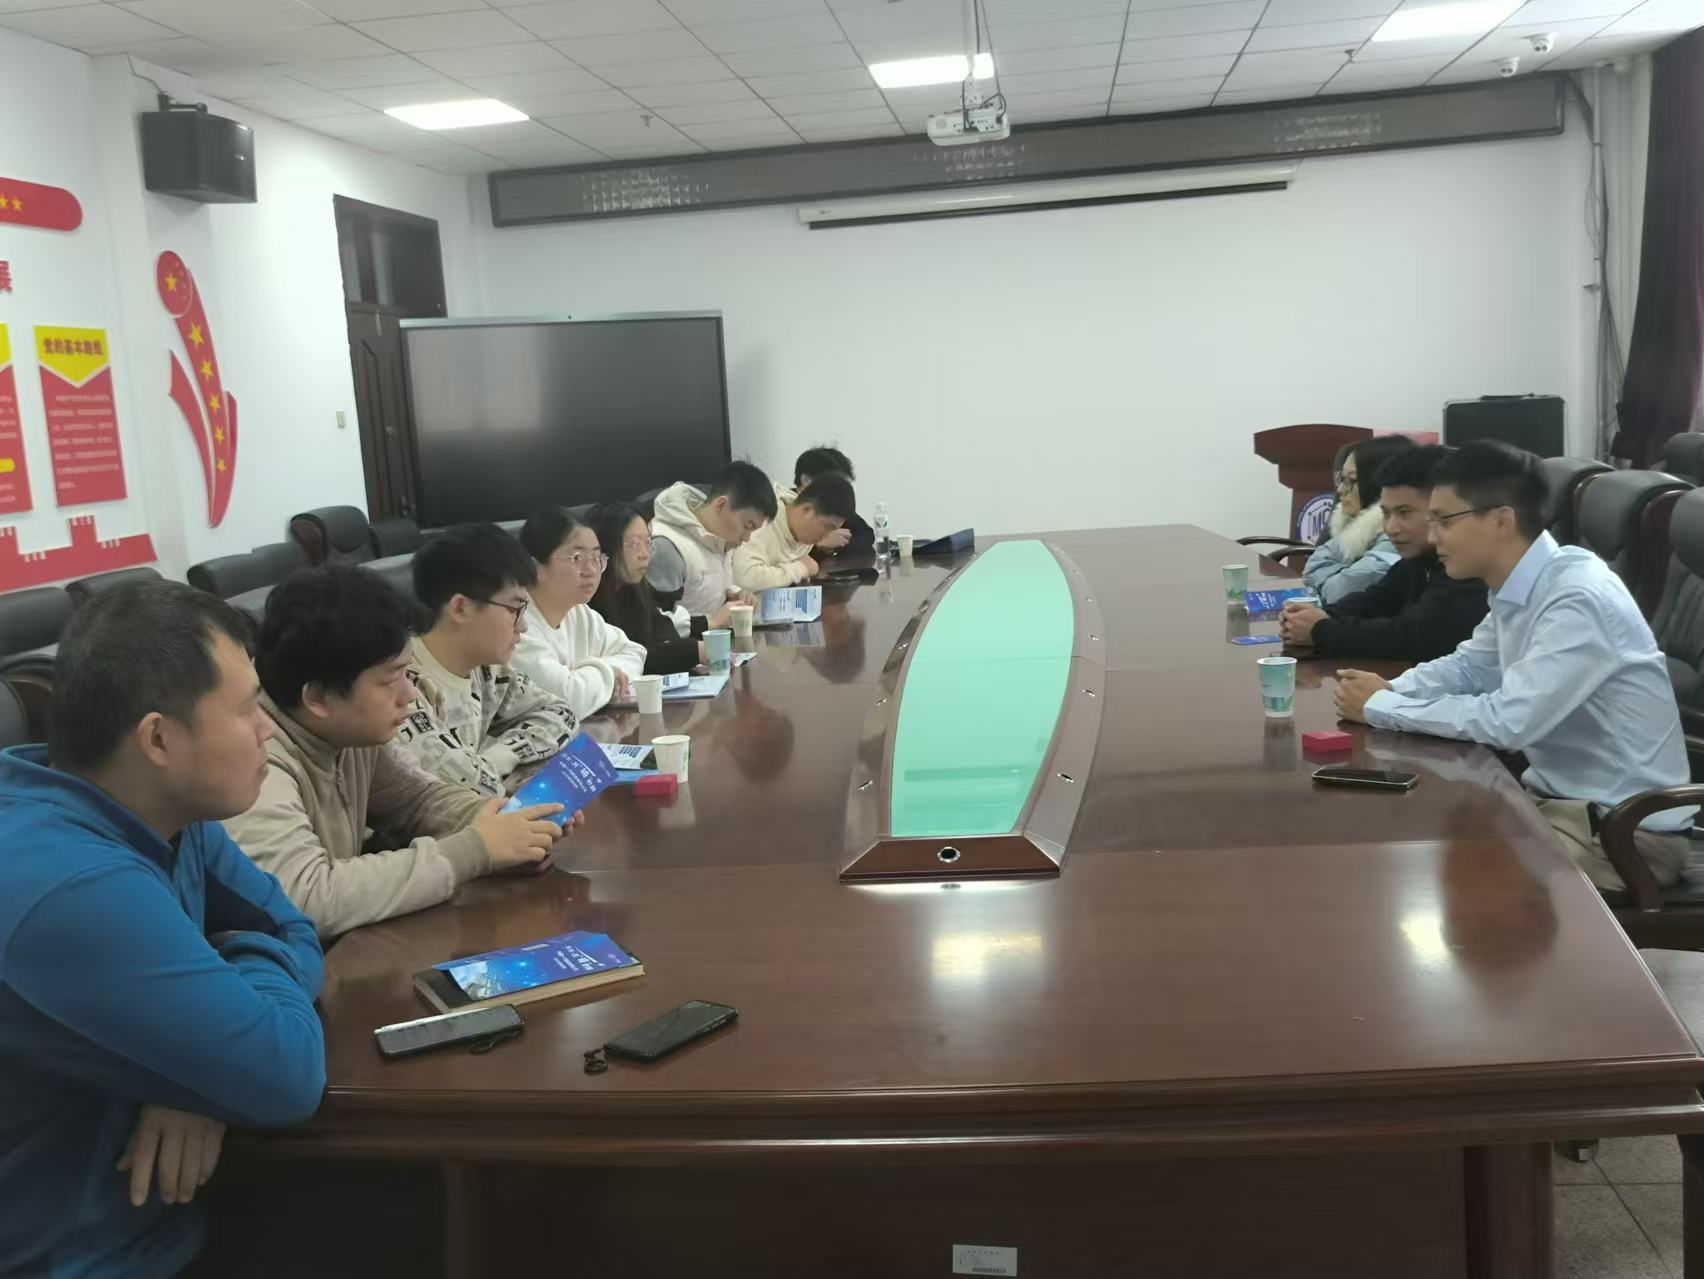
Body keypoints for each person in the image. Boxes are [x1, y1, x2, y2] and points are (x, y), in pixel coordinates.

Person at [0, 582, 324, 1278]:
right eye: (247, 708)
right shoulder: (72, 885)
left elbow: (293, 926)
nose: (268, 728)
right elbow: (286, 1076)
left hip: (170, 1222)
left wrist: (194, 1071)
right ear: (158, 738)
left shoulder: (164, 811)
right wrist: (214, 1055)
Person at [1333, 440, 1693, 893]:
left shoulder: (1576, 598)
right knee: (1411, 830)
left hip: (1624, 834)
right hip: (1559, 807)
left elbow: (1508, 721)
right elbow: (1470, 667)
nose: (1433, 536)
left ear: (1501, 520)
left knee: (1439, 871)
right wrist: (1391, 690)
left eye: (1444, 520)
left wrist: (1382, 707)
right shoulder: (1522, 583)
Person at [226, 564, 569, 939]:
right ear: (319, 697)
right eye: (392, 678)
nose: (411, 694)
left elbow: (418, 800)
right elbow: (308, 895)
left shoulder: (347, 731)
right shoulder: (255, 758)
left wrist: (511, 822)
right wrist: (475, 850)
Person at [398, 524, 579, 796]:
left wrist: (503, 754)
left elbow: (562, 714)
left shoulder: (487, 671)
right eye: (514, 609)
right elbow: (458, 784)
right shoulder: (400, 685)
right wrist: (495, 773)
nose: (523, 626)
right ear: (460, 608)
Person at [1280, 444, 1489, 660]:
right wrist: (1311, 618)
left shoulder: (1469, 568)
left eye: (1404, 513)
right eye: (1386, 514)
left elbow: (1414, 636)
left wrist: (1320, 630)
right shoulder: (1418, 561)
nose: (1391, 528)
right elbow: (1374, 600)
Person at [515, 506, 649, 717]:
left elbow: (635, 653)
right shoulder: (514, 623)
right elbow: (567, 700)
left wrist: (590, 675)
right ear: (535, 567)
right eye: (577, 558)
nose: (591, 571)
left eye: (596, 558)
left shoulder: (579, 613)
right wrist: (608, 675)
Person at [587, 502, 742, 675]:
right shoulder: (589, 601)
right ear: (605, 546)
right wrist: (693, 651)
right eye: (634, 544)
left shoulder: (634, 589)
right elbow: (633, 658)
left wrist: (692, 651)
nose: (645, 554)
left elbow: (665, 633)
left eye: (648, 542)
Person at [648, 460, 776, 617]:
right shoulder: (668, 546)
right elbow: (656, 623)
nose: (747, 538)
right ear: (721, 505)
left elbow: (704, 589)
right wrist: (713, 622)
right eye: (747, 526)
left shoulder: (720, 539)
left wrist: (734, 595)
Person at [1303, 434, 1417, 604]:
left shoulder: (1396, 534)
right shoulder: (1354, 525)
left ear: (1378, 482)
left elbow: (1339, 592)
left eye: (1351, 480)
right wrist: (1339, 576)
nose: (1341, 490)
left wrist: (1330, 581)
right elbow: (1314, 564)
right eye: (1342, 479)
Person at [733, 472, 858, 592]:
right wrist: (800, 569)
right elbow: (744, 579)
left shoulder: (802, 534)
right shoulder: (762, 520)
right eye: (827, 527)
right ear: (807, 510)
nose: (826, 536)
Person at [794, 444, 875, 554]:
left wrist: (834, 543)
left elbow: (866, 535)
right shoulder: (782, 509)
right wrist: (817, 543)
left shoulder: (832, 506)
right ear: (807, 481)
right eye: (833, 483)